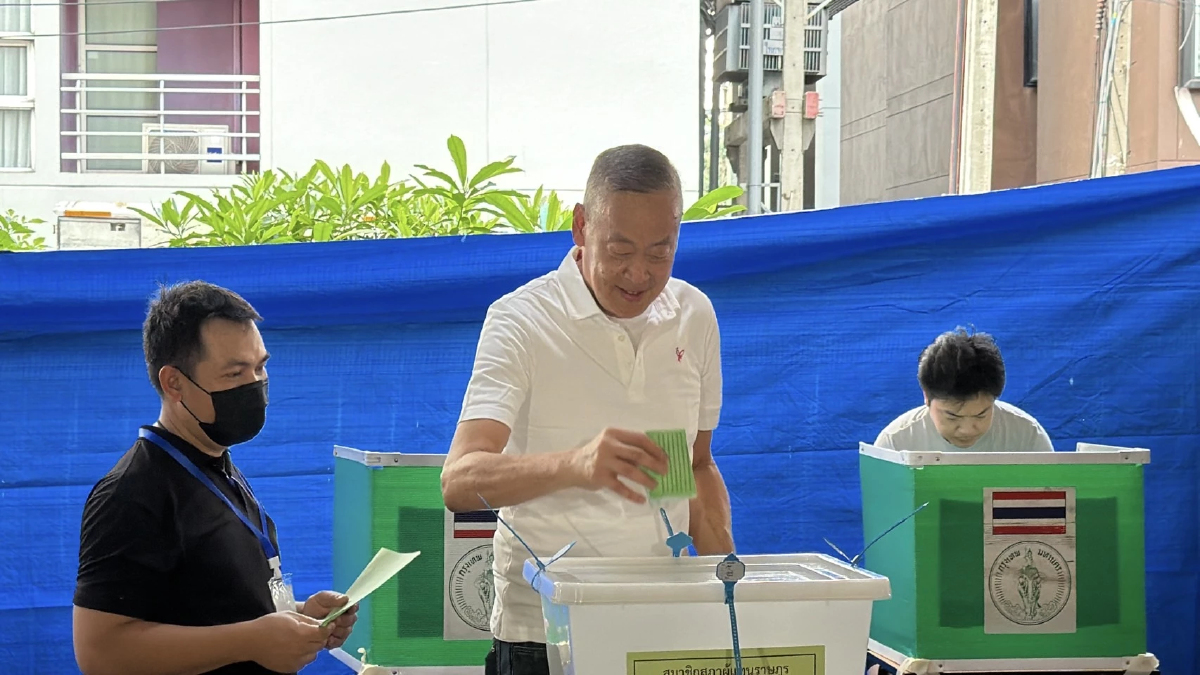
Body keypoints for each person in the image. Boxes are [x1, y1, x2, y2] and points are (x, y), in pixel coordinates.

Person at [440, 144, 735, 675]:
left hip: (660, 625)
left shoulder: (693, 315)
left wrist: (732, 593)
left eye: (660, 253)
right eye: (619, 250)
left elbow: (692, 464)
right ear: (581, 226)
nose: (639, 274)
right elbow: (459, 481)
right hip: (543, 634)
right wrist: (575, 464)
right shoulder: (521, 320)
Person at [72, 281, 358, 675]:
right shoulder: (131, 492)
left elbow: (215, 608)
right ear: (174, 383)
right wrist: (252, 640)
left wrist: (300, 617)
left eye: (260, 366)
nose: (254, 385)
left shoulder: (217, 464)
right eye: (234, 373)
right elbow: (100, 653)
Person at [875, 328, 1054, 452]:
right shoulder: (895, 444)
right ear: (927, 397)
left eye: (981, 415)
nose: (967, 430)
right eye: (952, 417)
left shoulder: (1027, 436)